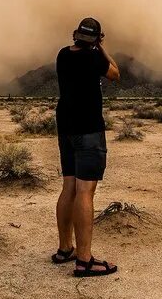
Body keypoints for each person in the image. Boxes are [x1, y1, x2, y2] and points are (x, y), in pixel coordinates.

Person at [51, 17, 120, 278]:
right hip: (88, 129)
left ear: (76, 35)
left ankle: (64, 249)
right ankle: (84, 260)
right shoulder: (94, 58)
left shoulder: (62, 55)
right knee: (85, 191)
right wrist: (101, 47)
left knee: (68, 185)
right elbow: (115, 73)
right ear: (95, 39)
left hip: (66, 127)